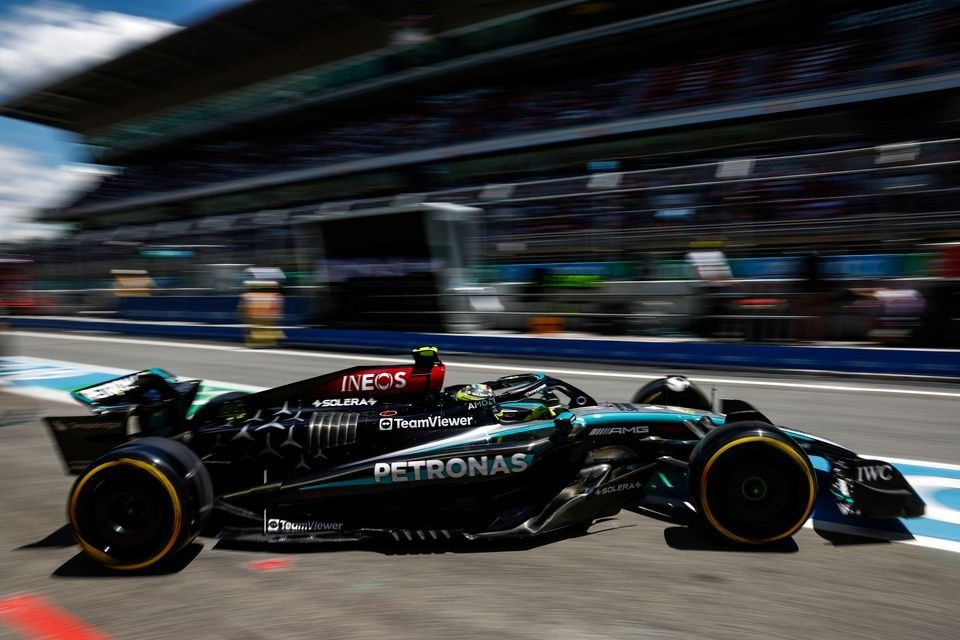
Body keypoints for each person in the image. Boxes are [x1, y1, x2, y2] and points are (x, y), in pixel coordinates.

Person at [240, 280, 284, 348]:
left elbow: (243, 307)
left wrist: (244, 315)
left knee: (254, 330)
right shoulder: (275, 295)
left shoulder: (248, 295)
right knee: (268, 330)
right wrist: (276, 316)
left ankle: (254, 343)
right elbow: (277, 307)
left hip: (253, 316)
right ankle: (269, 343)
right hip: (269, 317)